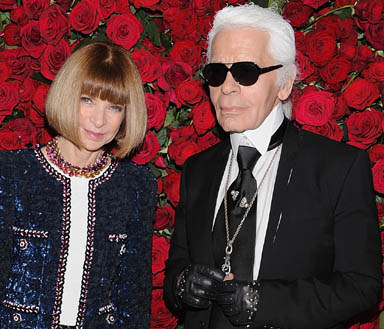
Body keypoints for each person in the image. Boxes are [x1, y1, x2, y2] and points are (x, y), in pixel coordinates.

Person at [163, 4, 382, 329]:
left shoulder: (338, 168)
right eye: (216, 72)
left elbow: (362, 287)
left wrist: (263, 302)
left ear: (284, 82)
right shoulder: (198, 169)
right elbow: (175, 273)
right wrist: (183, 284)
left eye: (246, 72)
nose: (227, 87)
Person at [0, 41, 156, 329]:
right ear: (68, 96)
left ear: (126, 114)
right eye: (87, 100)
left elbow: (134, 295)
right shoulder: (13, 171)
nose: (99, 119)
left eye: (114, 107)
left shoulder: (135, 186)